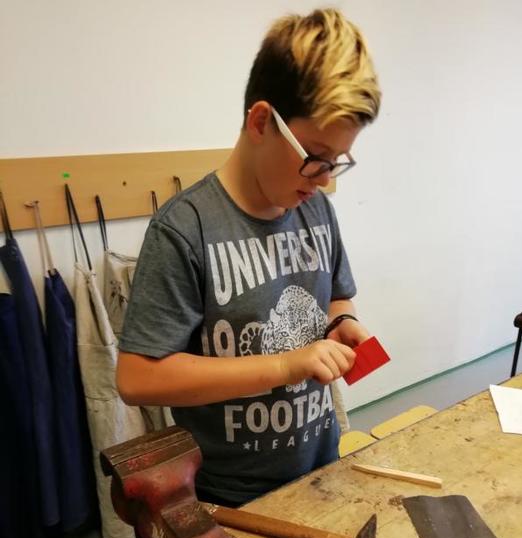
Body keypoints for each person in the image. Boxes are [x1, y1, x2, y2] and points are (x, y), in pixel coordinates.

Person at [117, 8, 381, 506]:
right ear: (261, 122)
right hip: (228, 498)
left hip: (320, 468)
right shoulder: (185, 229)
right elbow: (137, 378)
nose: (325, 179)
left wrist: (342, 323)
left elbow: (337, 297)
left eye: (337, 162)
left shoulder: (316, 209)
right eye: (315, 157)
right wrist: (285, 366)